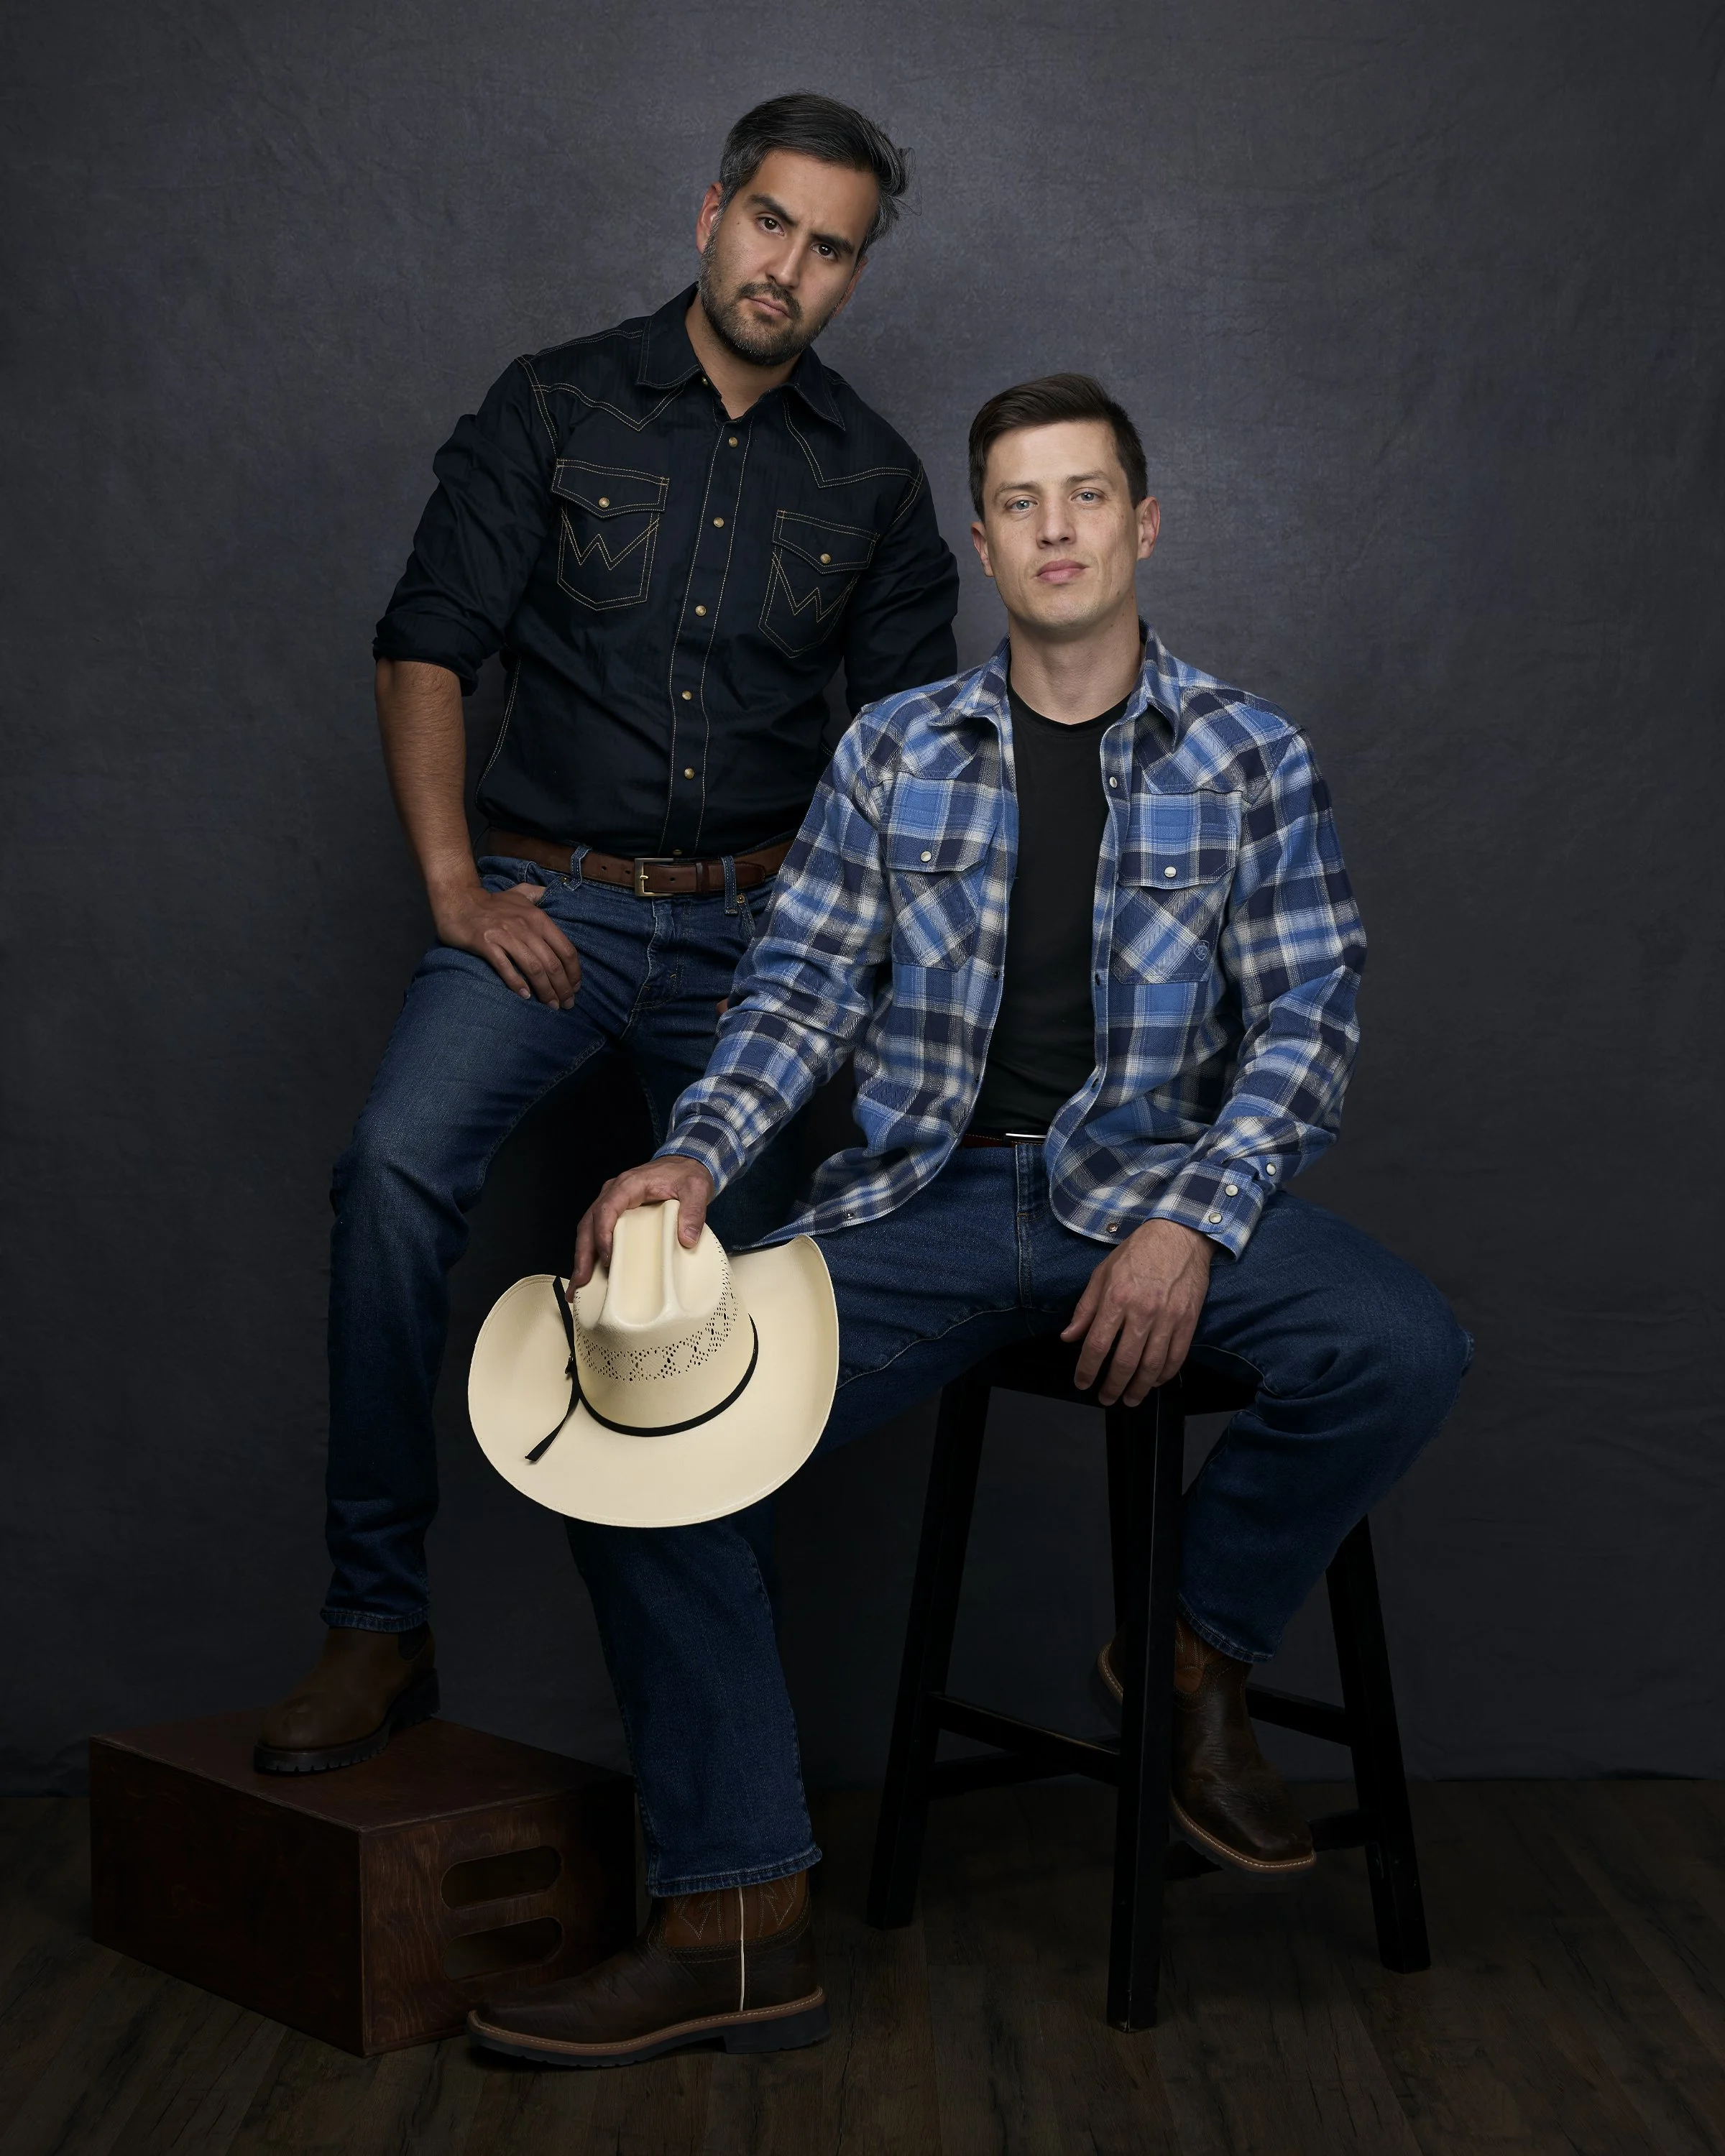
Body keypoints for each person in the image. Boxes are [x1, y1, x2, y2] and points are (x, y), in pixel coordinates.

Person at [466, 371, 1473, 2068]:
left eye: (1088, 497)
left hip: (1157, 1202)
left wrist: (1199, 1226)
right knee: (634, 1450)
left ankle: (1185, 1650)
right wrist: (697, 1156)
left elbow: (1308, 1021)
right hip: (925, 1207)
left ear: (1142, 526)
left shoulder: (1249, 754)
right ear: (987, 540)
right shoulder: (895, 750)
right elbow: (793, 990)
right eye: (1022, 502)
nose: (1058, 529)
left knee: (1402, 1343)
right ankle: (736, 1917)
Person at [255, 94, 960, 1774]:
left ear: (859, 273)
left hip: (759, 941)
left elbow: (921, 753)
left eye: (833, 246)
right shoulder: (555, 406)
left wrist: (845, 948)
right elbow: (427, 642)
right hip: (548, 906)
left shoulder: (872, 478)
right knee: (394, 1175)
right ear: (711, 211)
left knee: (748, 1316)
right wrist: (452, 889)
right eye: (771, 222)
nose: (790, 266)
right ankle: (375, 1620)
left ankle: (715, 1756)